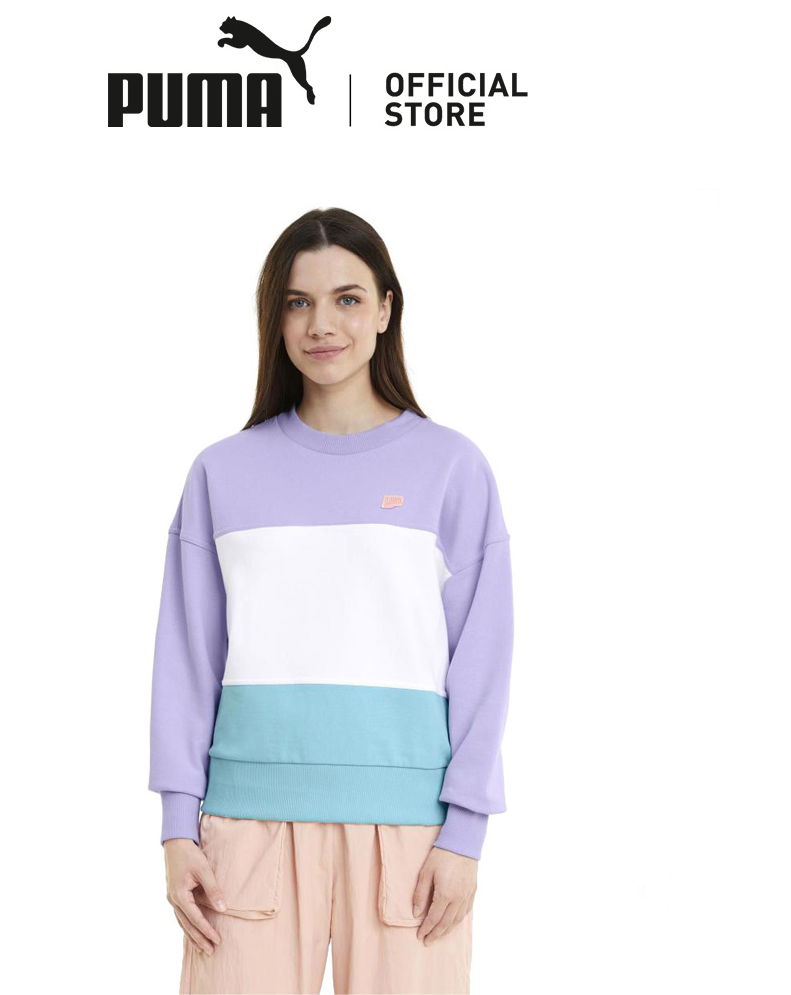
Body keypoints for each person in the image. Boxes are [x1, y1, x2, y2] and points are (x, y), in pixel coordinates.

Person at [148, 207, 514, 994]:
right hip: (245, 829)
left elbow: (483, 663)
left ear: (385, 310)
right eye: (298, 302)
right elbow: (187, 659)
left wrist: (466, 833)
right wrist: (178, 826)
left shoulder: (451, 468)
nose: (322, 324)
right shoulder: (222, 473)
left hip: (409, 834)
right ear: (275, 318)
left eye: (347, 299)